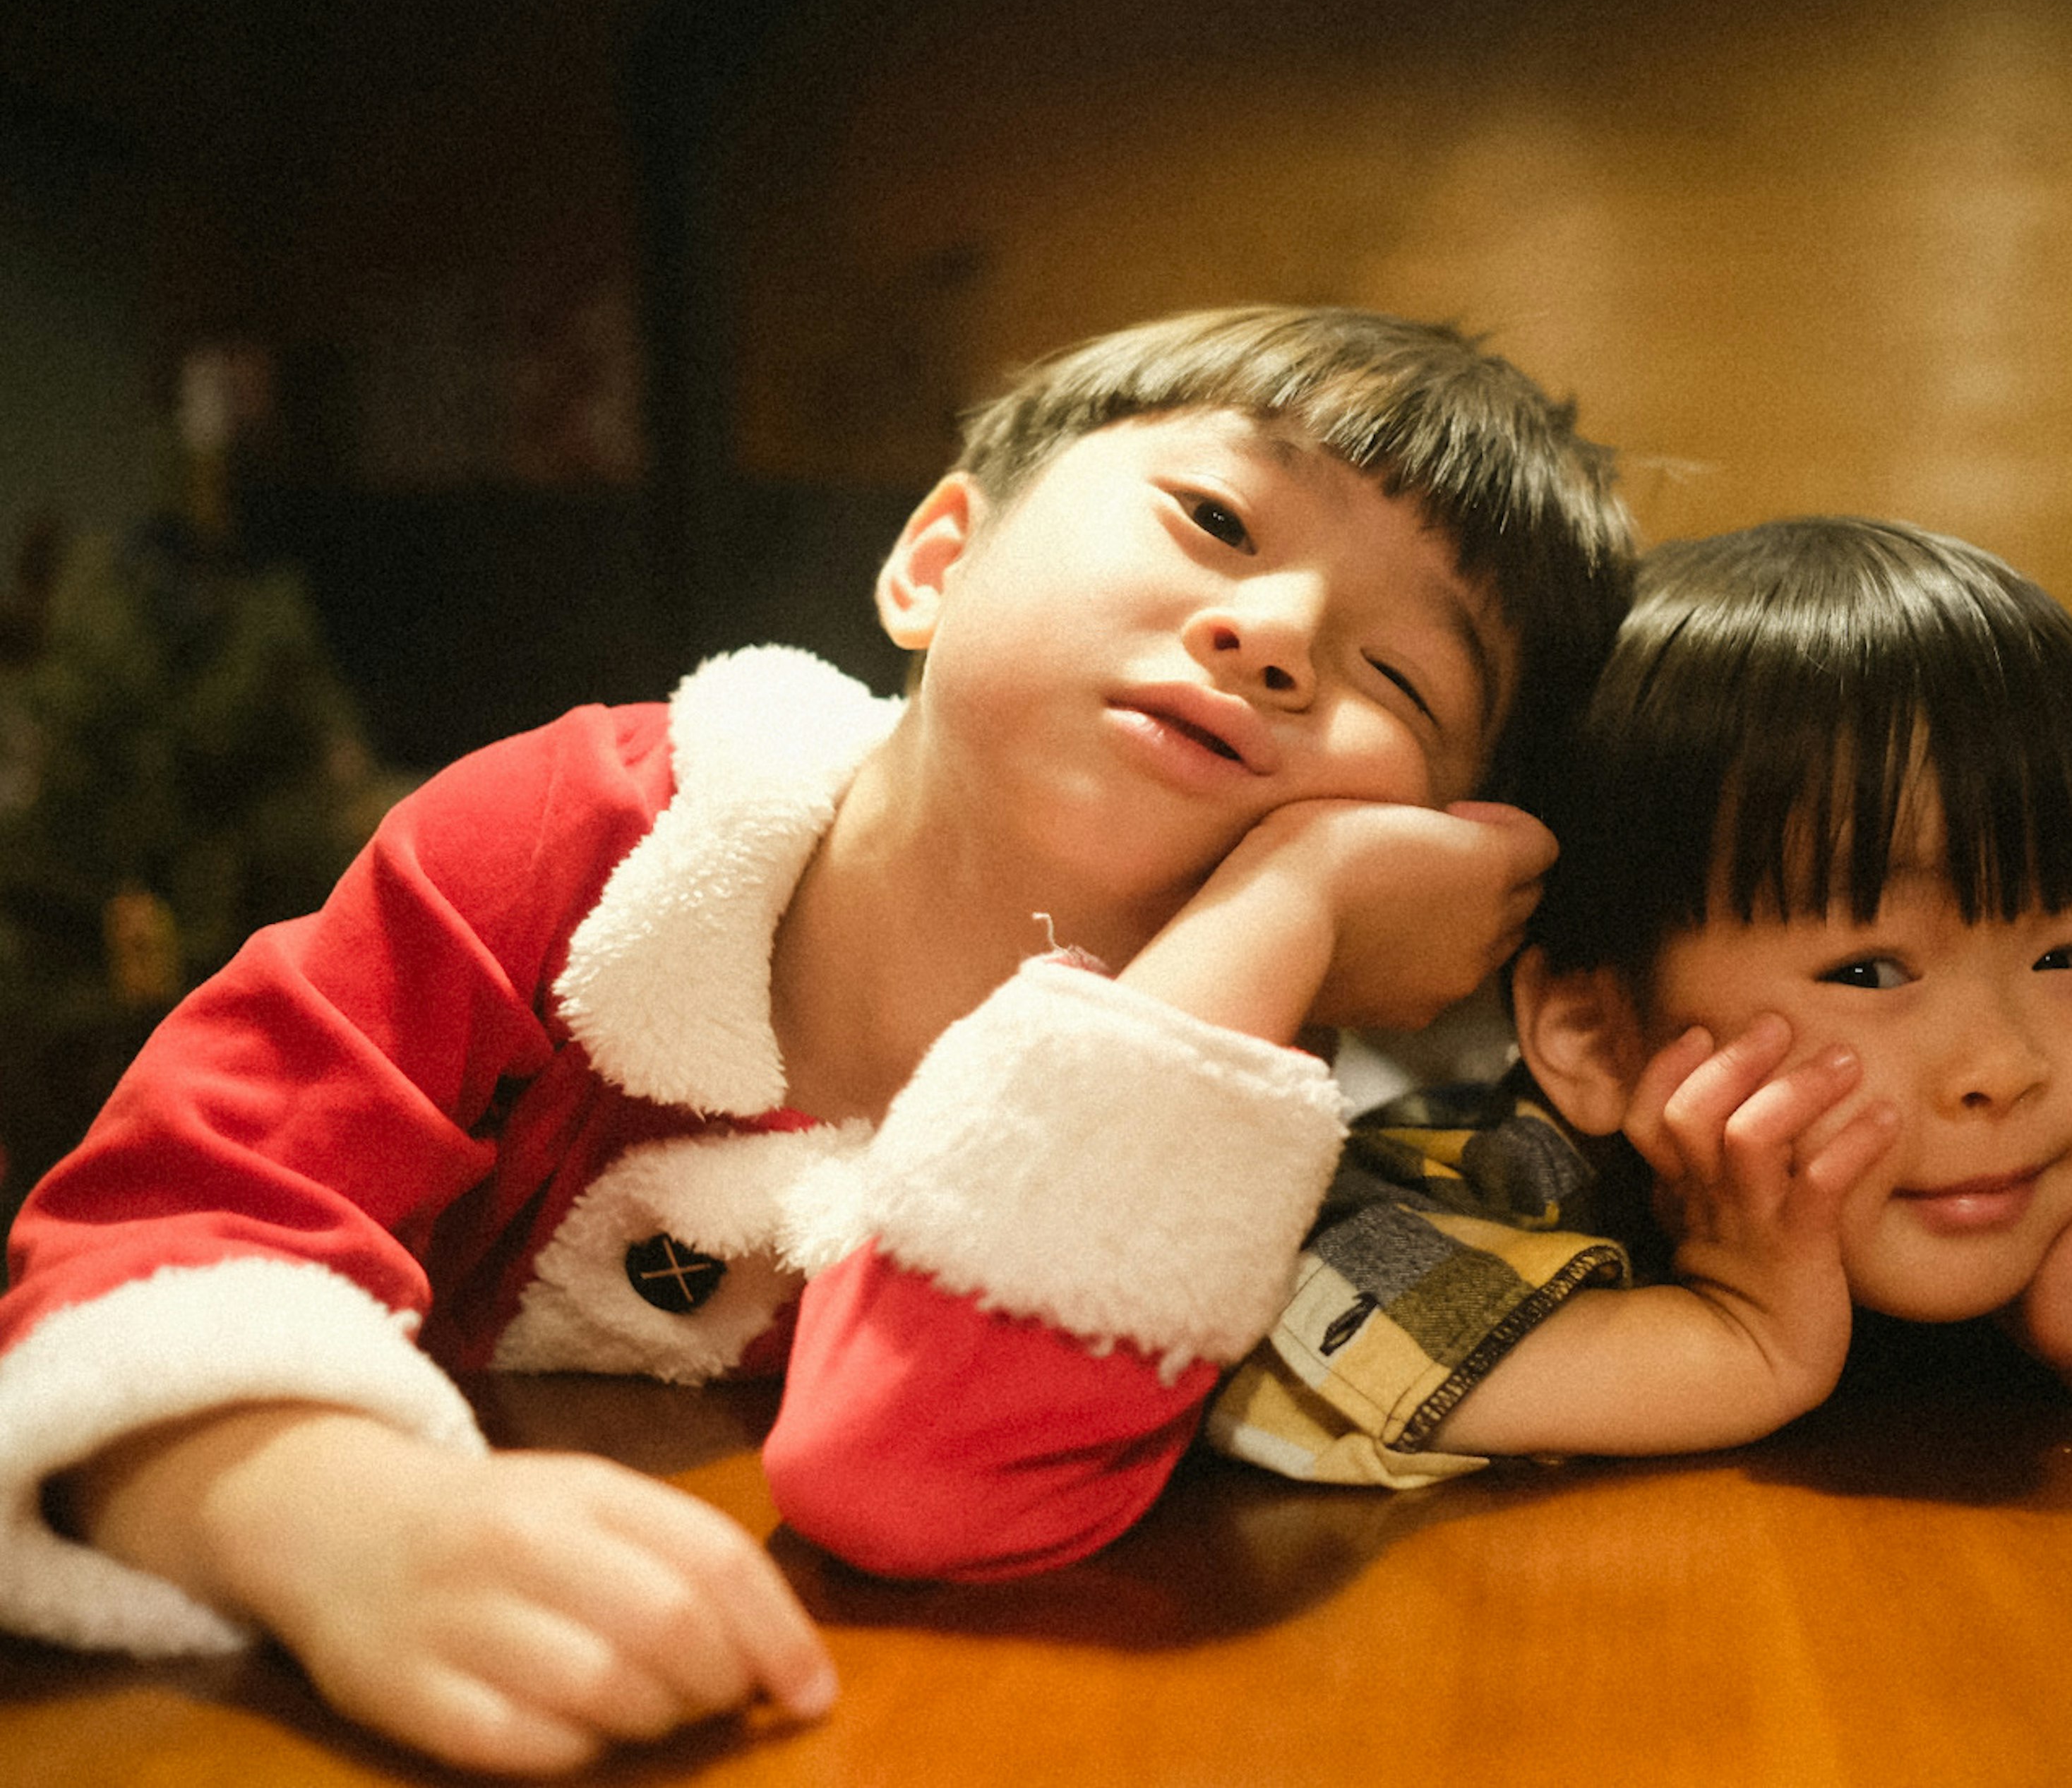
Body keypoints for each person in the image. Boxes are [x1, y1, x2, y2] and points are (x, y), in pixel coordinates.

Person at [0, 304, 1634, 1773]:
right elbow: (144, 1249)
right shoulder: (575, 838)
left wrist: (1295, 897)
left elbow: (922, 1481)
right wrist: (337, 1518)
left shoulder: (1245, 1135)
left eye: (1401, 676)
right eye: (1214, 519)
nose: (1275, 635)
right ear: (938, 559)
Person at [1209, 516, 2072, 1484]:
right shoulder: (1526, 1166)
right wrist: (1732, 1342)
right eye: (1871, 969)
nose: (2001, 1063)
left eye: (2070, 951)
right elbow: (1249, 1315)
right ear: (1596, 1034)